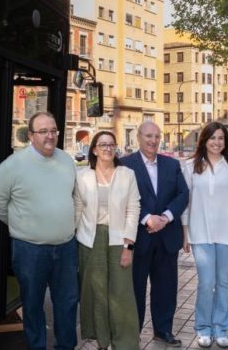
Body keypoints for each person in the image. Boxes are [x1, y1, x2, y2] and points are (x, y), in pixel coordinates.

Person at [0, 111, 78, 350]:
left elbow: (74, 197)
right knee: (33, 304)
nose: (50, 136)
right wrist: (20, 224)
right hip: (29, 250)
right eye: (43, 131)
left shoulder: (67, 160)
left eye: (54, 130)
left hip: (66, 247)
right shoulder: (12, 166)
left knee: (67, 303)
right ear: (30, 135)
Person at [120, 121, 188, 347]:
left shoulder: (172, 164)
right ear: (138, 137)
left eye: (157, 136)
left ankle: (163, 331)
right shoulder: (125, 165)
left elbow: (182, 194)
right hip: (139, 238)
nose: (153, 140)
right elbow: (122, 198)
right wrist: (147, 218)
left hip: (167, 238)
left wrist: (166, 217)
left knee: (166, 289)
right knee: (136, 289)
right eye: (148, 136)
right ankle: (133, 333)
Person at [180, 122, 228, 349]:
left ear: (226, 141)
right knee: (205, 282)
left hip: (227, 235)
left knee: (223, 283)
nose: (216, 142)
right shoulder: (190, 166)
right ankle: (203, 328)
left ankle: (221, 328)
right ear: (204, 140)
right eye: (212, 138)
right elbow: (186, 203)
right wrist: (185, 233)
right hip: (200, 234)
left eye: (221, 138)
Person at [74, 131, 141, 349]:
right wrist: (69, 238)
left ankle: (125, 343)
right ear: (93, 149)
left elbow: (133, 210)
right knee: (96, 292)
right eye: (102, 145)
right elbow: (77, 208)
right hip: (89, 240)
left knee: (121, 292)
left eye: (111, 145)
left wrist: (128, 246)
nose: (107, 149)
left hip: (119, 240)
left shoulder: (127, 174)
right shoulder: (82, 176)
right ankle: (102, 340)